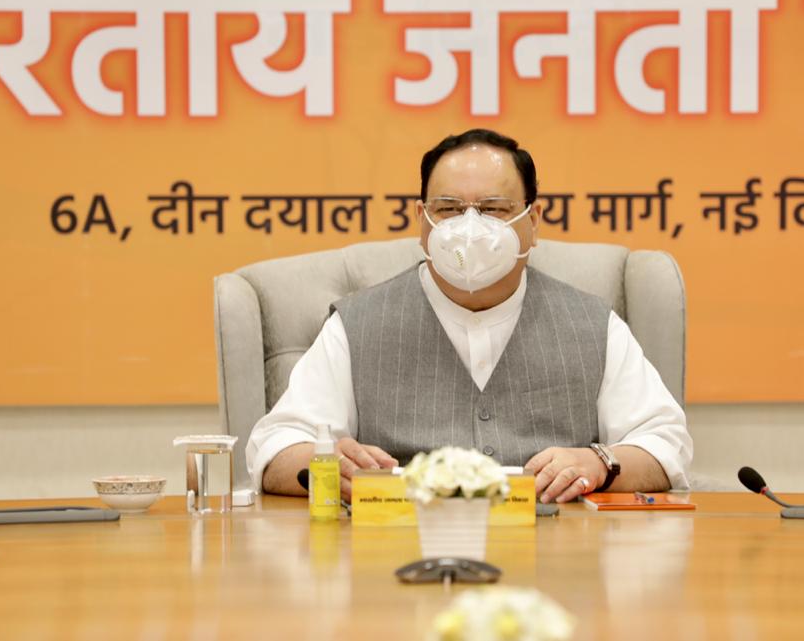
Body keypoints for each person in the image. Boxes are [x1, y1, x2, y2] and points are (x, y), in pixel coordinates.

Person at [247, 128, 692, 504]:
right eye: (449, 209)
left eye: (494, 209)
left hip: (557, 564)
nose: (470, 227)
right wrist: (323, 465)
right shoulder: (357, 323)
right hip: (395, 562)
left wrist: (600, 463)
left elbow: (665, 444)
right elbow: (274, 446)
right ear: (422, 221)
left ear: (533, 220)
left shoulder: (592, 324)